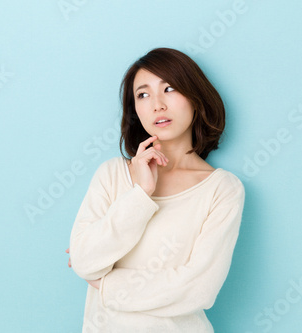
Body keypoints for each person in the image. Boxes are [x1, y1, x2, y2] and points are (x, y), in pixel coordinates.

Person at [65, 47, 246, 332]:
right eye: (143, 94)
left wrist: (106, 284)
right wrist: (140, 194)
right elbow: (85, 261)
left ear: (195, 98)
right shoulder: (112, 174)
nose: (157, 105)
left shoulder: (222, 189)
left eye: (170, 88)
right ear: (135, 109)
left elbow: (199, 289)